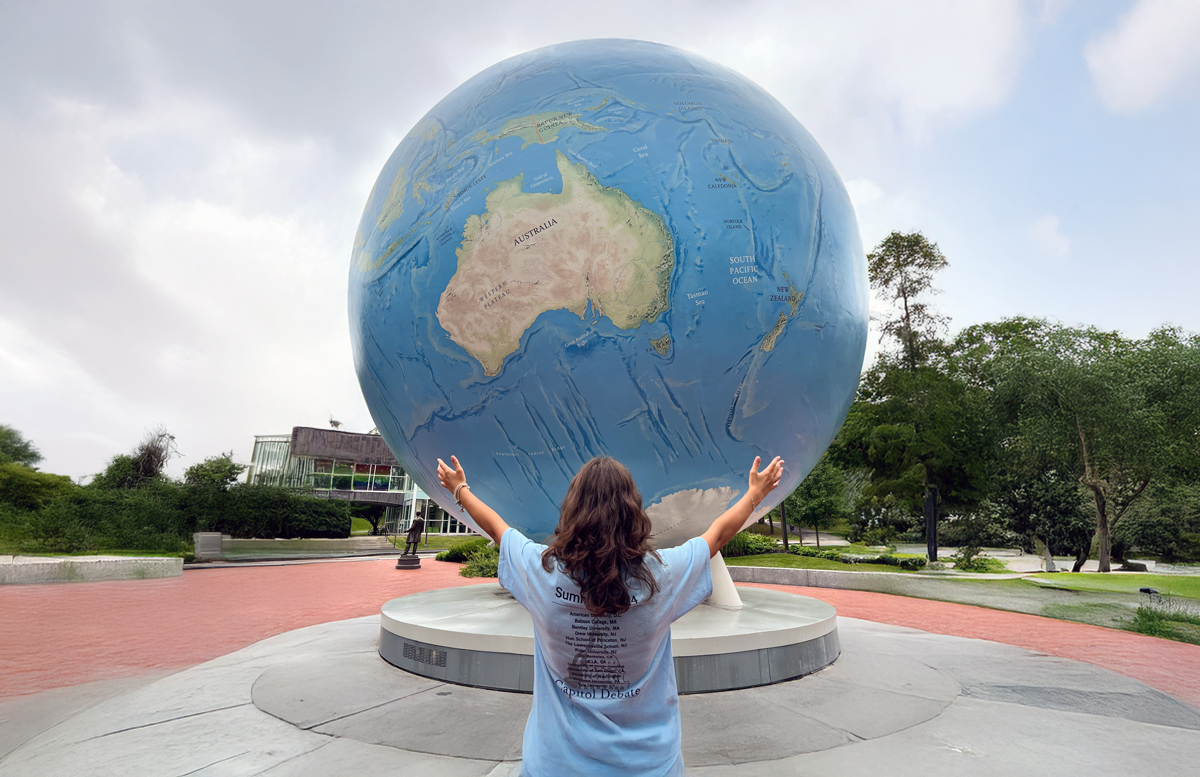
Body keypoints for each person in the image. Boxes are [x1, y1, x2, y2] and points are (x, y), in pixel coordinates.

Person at [436, 453, 783, 776]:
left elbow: (499, 529)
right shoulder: (661, 576)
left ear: (571, 509)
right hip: (649, 765)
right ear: (633, 511)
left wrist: (459, 489)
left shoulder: (541, 572)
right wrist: (755, 494)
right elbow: (718, 534)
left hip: (555, 764)